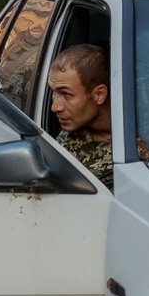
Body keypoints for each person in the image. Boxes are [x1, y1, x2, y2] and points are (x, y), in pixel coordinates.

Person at [48, 43, 114, 189]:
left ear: (99, 94)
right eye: (54, 92)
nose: (55, 107)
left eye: (66, 94)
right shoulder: (66, 148)